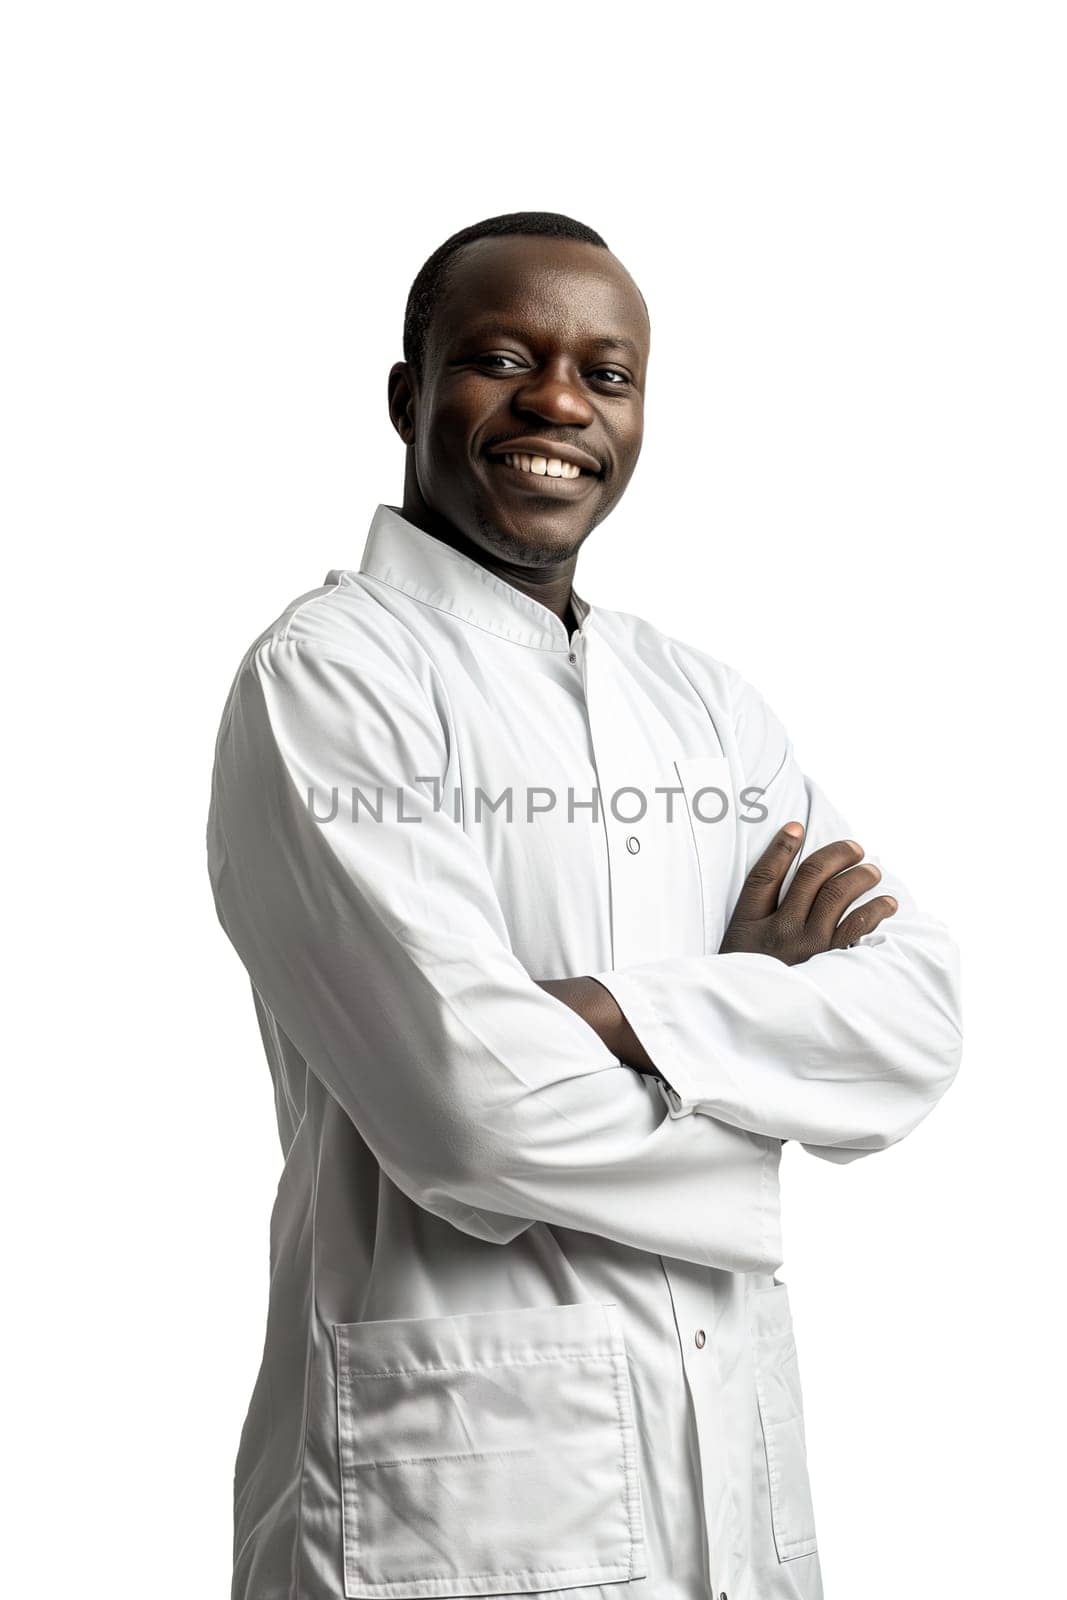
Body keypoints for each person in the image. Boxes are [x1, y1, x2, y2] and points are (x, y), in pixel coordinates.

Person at [207, 211, 962, 1600]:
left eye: (605, 374)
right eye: (503, 356)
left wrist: (619, 1012)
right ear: (407, 395)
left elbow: (916, 1019)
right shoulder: (331, 680)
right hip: (456, 1507)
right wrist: (765, 1078)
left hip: (728, 1481)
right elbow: (478, 1115)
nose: (558, 401)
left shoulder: (705, 703)